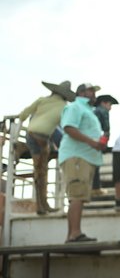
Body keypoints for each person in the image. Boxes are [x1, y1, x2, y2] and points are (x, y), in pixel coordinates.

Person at [18, 80, 76, 214]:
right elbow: (66, 127)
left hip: (30, 134)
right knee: (42, 170)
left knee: (39, 171)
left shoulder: (42, 101)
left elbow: (23, 114)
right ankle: (43, 205)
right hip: (42, 138)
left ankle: (41, 205)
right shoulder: (63, 106)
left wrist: (16, 132)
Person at [58, 83, 105, 243]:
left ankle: (72, 235)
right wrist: (92, 142)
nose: (94, 94)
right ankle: (75, 234)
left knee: (78, 196)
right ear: (82, 92)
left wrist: (96, 143)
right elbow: (69, 128)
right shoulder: (76, 107)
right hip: (77, 155)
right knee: (77, 194)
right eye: (92, 91)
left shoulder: (86, 110)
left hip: (84, 157)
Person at [91, 94, 119, 196]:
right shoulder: (102, 111)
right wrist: (104, 142)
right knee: (96, 163)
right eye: (109, 104)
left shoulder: (92, 112)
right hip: (95, 140)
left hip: (86, 140)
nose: (110, 108)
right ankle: (95, 187)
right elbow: (106, 129)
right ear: (103, 103)